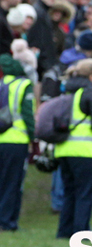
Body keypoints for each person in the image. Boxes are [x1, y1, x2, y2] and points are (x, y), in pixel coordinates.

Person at [55, 58, 92, 239]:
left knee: (69, 192)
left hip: (63, 149)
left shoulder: (67, 89)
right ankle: (81, 233)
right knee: (85, 192)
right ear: (91, 76)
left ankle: (64, 232)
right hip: (83, 149)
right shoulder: (90, 92)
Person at [0, 54, 34, 232]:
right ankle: (7, 221)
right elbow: (28, 114)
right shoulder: (23, 85)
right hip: (16, 139)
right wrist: (34, 137)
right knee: (12, 182)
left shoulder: (1, 83)